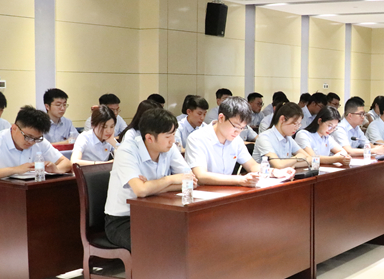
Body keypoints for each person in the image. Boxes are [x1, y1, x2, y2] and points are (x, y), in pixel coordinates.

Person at [103, 109, 196, 251]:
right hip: (123, 220)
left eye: (174, 134)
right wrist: (171, 179)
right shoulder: (127, 151)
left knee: (189, 234)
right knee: (157, 244)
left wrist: (151, 187)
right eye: (168, 136)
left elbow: (191, 181)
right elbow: (140, 191)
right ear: (150, 138)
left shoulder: (169, 148)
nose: (173, 140)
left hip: (155, 213)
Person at [185, 96, 265, 186]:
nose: (238, 132)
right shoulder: (197, 138)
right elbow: (201, 175)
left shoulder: (236, 140)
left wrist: (272, 171)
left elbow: (252, 166)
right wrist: (240, 179)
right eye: (236, 126)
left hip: (228, 190)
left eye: (242, 128)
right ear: (221, 118)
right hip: (204, 191)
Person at [0, 106, 72, 179]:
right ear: (14, 128)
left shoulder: (40, 142)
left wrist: (56, 169)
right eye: (28, 137)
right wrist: (15, 170)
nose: (31, 142)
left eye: (36, 138)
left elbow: (66, 162)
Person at [253, 102, 311, 168]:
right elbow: (278, 165)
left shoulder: (288, 138)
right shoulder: (264, 137)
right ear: (282, 119)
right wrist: (296, 158)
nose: (297, 128)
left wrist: (291, 165)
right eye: (295, 124)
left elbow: (310, 159)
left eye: (299, 124)